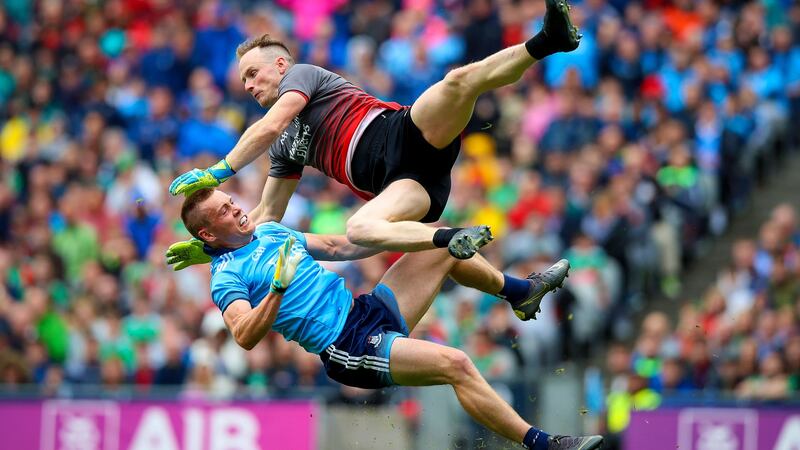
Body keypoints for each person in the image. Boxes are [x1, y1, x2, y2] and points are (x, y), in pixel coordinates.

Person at [179, 187, 602, 450]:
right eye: (225, 211)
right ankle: (543, 444)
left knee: (439, 244)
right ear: (208, 236)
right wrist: (276, 289)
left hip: (365, 311)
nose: (238, 209)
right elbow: (244, 336)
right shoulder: (227, 276)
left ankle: (521, 293)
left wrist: (391, 230)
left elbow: (339, 246)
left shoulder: (270, 232)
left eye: (232, 201)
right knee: (456, 364)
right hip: (346, 347)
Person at [167, 0, 581, 260]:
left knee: (458, 82)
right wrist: (211, 246)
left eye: (253, 74)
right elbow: (267, 217)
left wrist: (220, 170)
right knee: (357, 230)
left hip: (408, 133)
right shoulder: (284, 150)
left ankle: (549, 38)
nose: (249, 86)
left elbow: (271, 124)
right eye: (243, 82)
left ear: (281, 66)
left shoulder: (303, 76)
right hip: (403, 183)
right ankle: (454, 238)